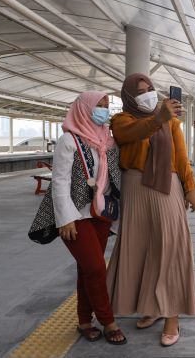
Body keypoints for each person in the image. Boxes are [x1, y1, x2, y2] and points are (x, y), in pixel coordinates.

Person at [106, 73, 195, 347]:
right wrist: (157, 118)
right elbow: (131, 134)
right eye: (141, 90)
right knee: (141, 249)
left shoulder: (169, 121)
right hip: (135, 187)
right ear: (129, 97)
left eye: (151, 89)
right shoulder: (121, 120)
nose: (148, 93)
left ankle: (172, 316)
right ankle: (152, 306)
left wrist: (190, 186)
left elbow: (180, 156)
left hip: (167, 185)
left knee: (171, 247)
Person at [50, 91, 126, 345]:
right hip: (76, 216)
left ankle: (84, 321)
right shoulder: (69, 140)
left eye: (106, 106)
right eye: (98, 106)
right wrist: (65, 219)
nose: (103, 110)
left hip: (99, 214)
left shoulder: (107, 140)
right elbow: (59, 181)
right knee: (95, 268)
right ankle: (108, 321)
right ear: (83, 109)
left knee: (87, 270)